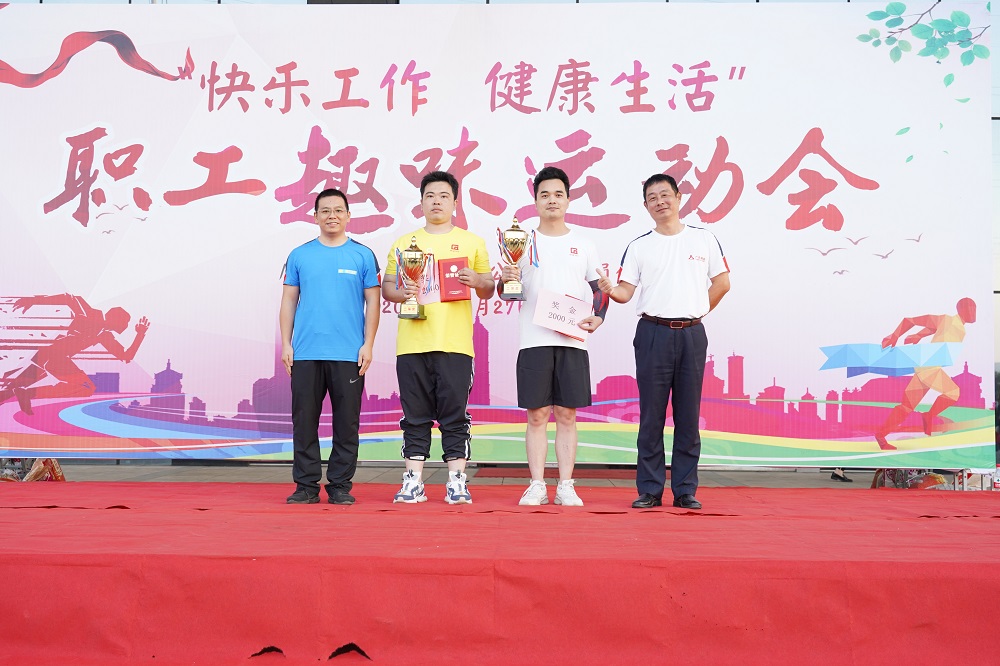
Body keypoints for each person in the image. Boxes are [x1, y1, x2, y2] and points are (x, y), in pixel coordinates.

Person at [598, 174, 730, 510]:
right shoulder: (640, 246)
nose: (660, 202)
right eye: (652, 198)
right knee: (651, 415)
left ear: (679, 197)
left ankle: (685, 489)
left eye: (665, 195)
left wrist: (696, 310)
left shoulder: (703, 239)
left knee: (688, 415)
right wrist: (611, 290)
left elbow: (722, 283)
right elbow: (625, 292)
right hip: (652, 333)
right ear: (645, 206)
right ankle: (650, 489)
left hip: (692, 334)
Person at [382, 171, 495, 504]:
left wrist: (477, 280)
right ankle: (413, 481)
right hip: (412, 343)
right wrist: (403, 291)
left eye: (444, 196)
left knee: (454, 415)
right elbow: (388, 287)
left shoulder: (472, 242)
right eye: (430, 195)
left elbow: (488, 288)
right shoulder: (404, 244)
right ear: (421, 202)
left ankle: (456, 480)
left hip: (455, 344)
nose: (436, 201)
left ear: (455, 203)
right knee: (414, 415)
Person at [500, 166, 607, 506]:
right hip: (533, 340)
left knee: (567, 415)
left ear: (568, 200)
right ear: (535, 201)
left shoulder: (583, 244)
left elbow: (599, 289)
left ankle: (565, 485)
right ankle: (536, 484)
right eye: (544, 194)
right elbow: (507, 293)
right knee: (536, 415)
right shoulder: (521, 241)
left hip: (572, 339)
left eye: (558, 194)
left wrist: (599, 317)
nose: (552, 200)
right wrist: (506, 279)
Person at [280, 188, 380, 505]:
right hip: (306, 352)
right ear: (315, 216)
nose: (332, 216)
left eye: (338, 210)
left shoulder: (362, 255)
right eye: (325, 210)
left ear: (348, 215)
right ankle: (306, 486)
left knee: (346, 424)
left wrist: (368, 344)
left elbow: (373, 303)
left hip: (349, 353)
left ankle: (340, 485)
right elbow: (288, 301)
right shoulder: (300, 255)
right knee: (304, 422)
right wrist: (286, 344)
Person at [0, 295, 149, 415]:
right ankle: (28, 393)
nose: (126, 326)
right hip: (53, 357)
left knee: (10, 391)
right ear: (116, 319)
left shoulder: (104, 336)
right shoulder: (91, 314)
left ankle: (25, 393)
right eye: (125, 322)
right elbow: (70, 299)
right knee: (86, 387)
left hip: (50, 357)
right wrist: (35, 300)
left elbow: (126, 357)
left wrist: (140, 335)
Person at [874, 297, 976, 450]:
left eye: (974, 308)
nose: (973, 312)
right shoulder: (947, 320)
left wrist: (919, 335)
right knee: (953, 392)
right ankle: (928, 415)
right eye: (971, 307)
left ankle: (881, 435)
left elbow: (934, 329)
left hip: (926, 368)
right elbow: (910, 321)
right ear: (961, 309)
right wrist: (895, 335)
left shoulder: (955, 326)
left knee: (906, 407)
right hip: (930, 368)